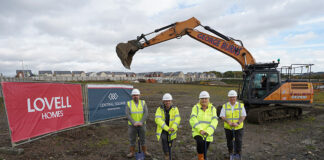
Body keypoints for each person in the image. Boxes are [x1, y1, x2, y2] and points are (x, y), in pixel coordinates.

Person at [189, 91, 218, 160]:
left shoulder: (212, 108)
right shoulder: (195, 108)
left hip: (208, 133)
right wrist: (200, 130)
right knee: (200, 142)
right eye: (202, 98)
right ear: (199, 100)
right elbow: (193, 119)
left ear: (208, 99)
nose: (204, 100)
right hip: (197, 132)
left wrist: (209, 131)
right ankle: (201, 158)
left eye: (206, 98)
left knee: (205, 149)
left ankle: (203, 157)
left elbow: (215, 121)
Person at [220, 90, 247, 157]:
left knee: (238, 141)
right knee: (229, 141)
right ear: (228, 97)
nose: (232, 98)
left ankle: (238, 153)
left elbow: (243, 115)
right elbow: (222, 116)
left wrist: (238, 123)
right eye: (230, 97)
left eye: (233, 97)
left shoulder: (240, 105)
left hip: (238, 127)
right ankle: (230, 152)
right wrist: (228, 121)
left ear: (236, 97)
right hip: (228, 127)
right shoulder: (225, 106)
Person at [126, 88, 151, 158]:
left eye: (136, 95)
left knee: (143, 139)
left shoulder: (143, 103)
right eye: (134, 95)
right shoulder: (129, 103)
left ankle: (145, 151)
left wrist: (141, 122)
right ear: (132, 96)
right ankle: (132, 153)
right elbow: (127, 114)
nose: (135, 96)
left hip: (142, 125)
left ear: (139, 96)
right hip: (132, 126)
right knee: (132, 139)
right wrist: (134, 122)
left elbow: (146, 113)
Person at [155, 93, 181, 160]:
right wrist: (167, 128)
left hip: (172, 129)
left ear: (171, 101)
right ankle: (166, 154)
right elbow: (158, 119)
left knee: (170, 142)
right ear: (163, 101)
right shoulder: (159, 109)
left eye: (169, 101)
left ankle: (169, 151)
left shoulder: (175, 109)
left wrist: (173, 127)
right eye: (166, 101)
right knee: (164, 141)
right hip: (163, 130)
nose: (167, 102)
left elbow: (177, 119)